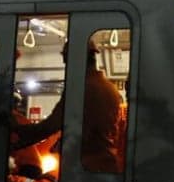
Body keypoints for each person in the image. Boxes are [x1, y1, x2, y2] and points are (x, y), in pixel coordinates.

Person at [10, 40, 125, 173]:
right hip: (106, 164)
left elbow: (51, 126)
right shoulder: (110, 88)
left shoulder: (80, 87)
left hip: (85, 167)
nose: (65, 64)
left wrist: (17, 130)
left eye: (66, 59)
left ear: (77, 58)